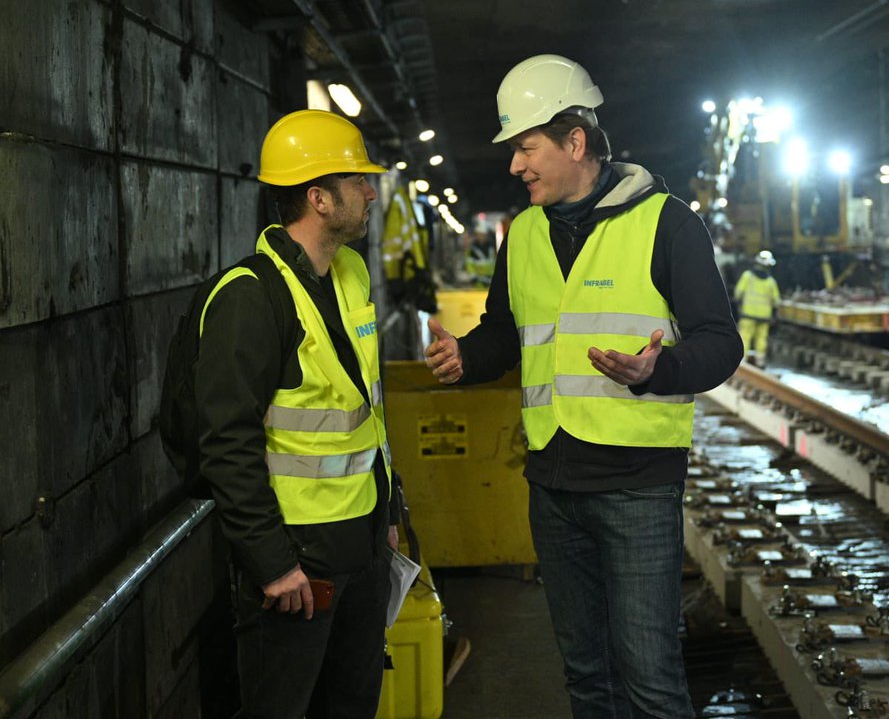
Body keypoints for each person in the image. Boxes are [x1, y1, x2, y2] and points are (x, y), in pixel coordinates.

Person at [425, 53, 742, 719]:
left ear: (576, 142)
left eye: (527, 147)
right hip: (552, 483)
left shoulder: (668, 224)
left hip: (637, 485)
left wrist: (662, 369)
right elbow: (506, 334)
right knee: (586, 675)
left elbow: (720, 341)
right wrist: (466, 358)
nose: (516, 166)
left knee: (650, 679)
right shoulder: (524, 234)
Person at [195, 109, 401, 719]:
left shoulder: (351, 274)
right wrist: (271, 563)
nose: (369, 192)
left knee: (353, 703)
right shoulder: (248, 299)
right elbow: (226, 443)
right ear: (319, 198)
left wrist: (388, 511)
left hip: (362, 545)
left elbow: (366, 410)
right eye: (357, 182)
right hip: (296, 562)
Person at [733, 250, 782, 366]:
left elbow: (738, 293)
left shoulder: (747, 277)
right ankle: (760, 362)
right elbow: (776, 301)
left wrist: (739, 306)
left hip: (748, 314)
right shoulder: (771, 282)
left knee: (745, 337)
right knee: (761, 339)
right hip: (764, 316)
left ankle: (742, 363)